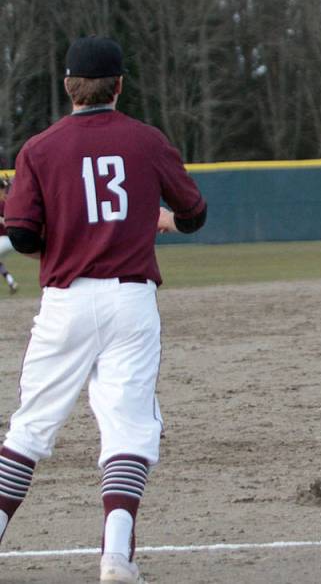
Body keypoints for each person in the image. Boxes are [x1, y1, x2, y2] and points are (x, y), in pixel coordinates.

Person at [0, 36, 207, 584]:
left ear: (68, 87)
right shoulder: (145, 140)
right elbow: (194, 212)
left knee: (29, 430)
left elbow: (20, 236)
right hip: (130, 300)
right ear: (119, 85)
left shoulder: (39, 149)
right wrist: (166, 220)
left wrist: (42, 221)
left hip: (65, 300)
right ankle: (117, 557)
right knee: (128, 429)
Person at [0, 177, 19, 294]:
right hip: (10, 241)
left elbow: (5, 220)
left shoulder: (2, 203)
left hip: (4, 240)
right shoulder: (8, 202)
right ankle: (11, 282)